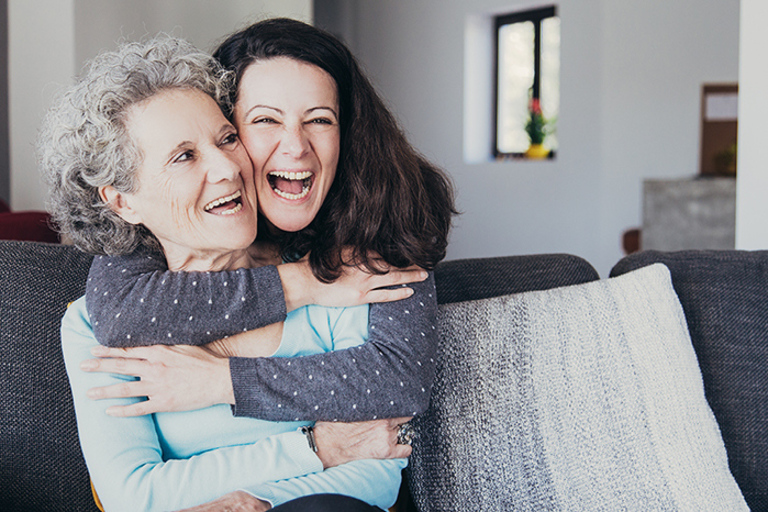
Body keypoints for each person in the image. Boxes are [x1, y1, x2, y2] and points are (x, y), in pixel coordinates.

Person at [43, 36, 420, 511]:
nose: (228, 167)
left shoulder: (333, 278)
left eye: (226, 139)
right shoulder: (95, 323)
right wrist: (315, 449)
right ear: (122, 200)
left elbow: (376, 468)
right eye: (185, 156)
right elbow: (134, 494)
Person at [80, 17, 455, 431]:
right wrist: (304, 283)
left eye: (319, 119)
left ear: (348, 132)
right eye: (265, 120)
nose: (295, 147)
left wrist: (224, 381)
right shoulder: (182, 217)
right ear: (227, 130)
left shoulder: (386, 212)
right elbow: (121, 313)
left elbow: (401, 378)